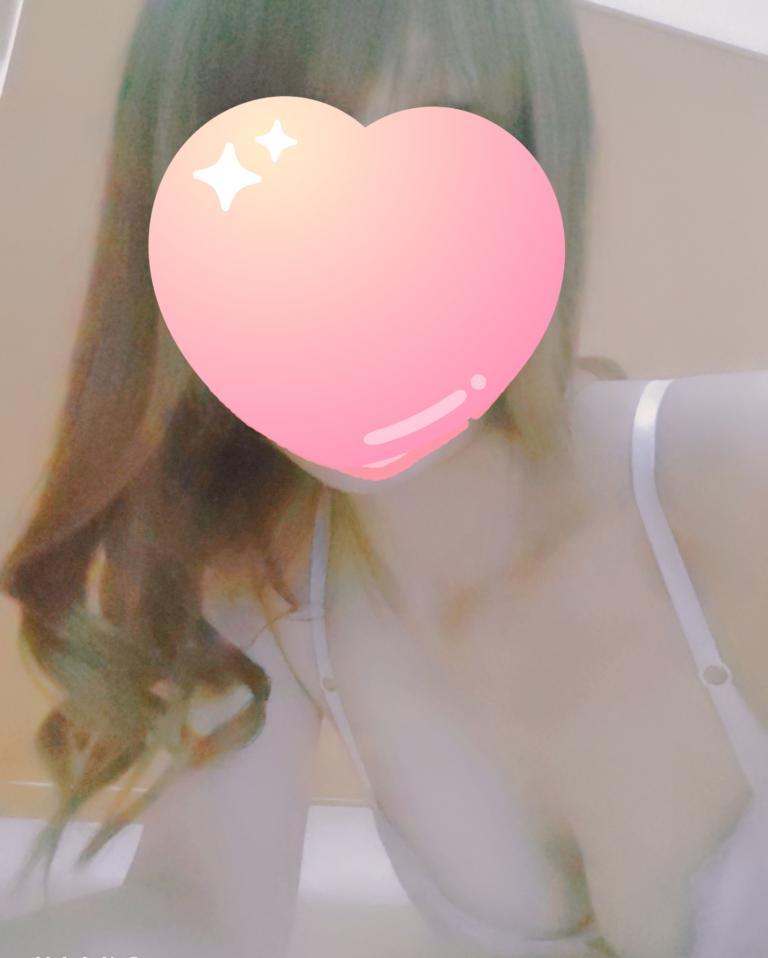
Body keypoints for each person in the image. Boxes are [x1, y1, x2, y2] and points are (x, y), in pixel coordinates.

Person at [2, 1, 767, 956]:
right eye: (272, 190)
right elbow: (191, 915)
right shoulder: (272, 583)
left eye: (444, 168)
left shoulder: (740, 469)